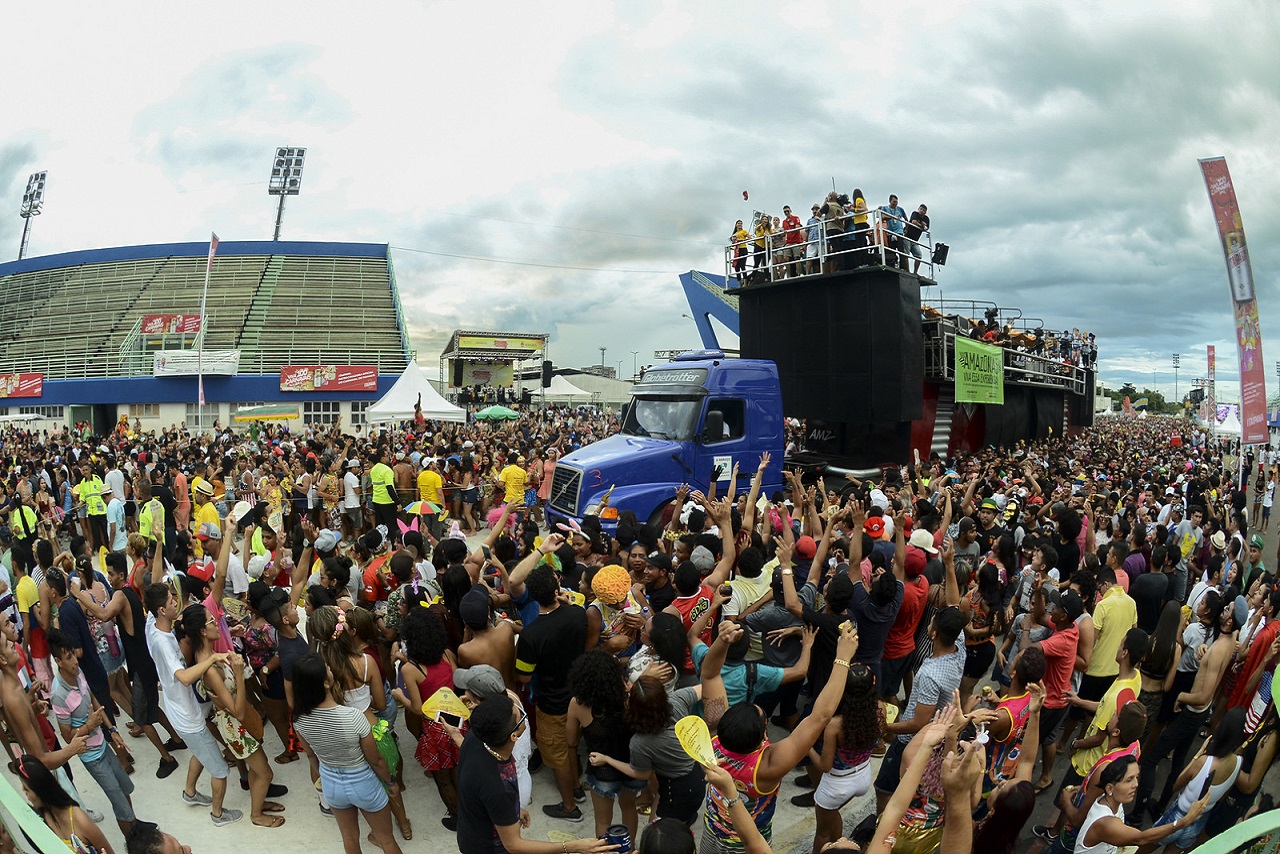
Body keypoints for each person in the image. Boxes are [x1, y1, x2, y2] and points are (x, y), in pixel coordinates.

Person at [1135, 594, 1244, 820]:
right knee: (1178, 761)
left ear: (1230, 621)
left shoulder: (1218, 650)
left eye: (1227, 610)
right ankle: (1160, 805)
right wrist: (1204, 648)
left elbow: (1204, 696)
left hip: (1193, 712)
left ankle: (1136, 814)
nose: (1223, 610)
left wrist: (1182, 697)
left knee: (1150, 759)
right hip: (1198, 713)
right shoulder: (1230, 640)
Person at [457, 695, 613, 854]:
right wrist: (571, 846)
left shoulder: (476, 737)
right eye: (520, 716)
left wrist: (512, 809)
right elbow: (513, 845)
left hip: (471, 831)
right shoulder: (497, 787)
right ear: (514, 736)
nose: (522, 714)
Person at [174, 604, 283, 829]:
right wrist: (240, 674)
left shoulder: (208, 656)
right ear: (202, 632)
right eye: (212, 622)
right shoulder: (212, 670)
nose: (217, 625)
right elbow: (238, 711)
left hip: (237, 725)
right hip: (237, 726)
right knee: (265, 773)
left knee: (257, 768)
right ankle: (256, 814)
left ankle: (258, 801)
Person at [143, 581, 241, 826]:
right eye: (170, 600)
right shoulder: (164, 642)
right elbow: (185, 678)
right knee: (220, 769)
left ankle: (189, 793)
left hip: (183, 708)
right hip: (188, 717)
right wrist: (214, 658)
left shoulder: (151, 625)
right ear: (162, 611)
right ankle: (218, 815)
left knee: (200, 752)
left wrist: (157, 545)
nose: (175, 601)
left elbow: (153, 586)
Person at [290, 653, 402, 854]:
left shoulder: (299, 720)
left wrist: (325, 775)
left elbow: (311, 757)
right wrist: (391, 782)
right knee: (386, 839)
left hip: (332, 784)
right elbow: (375, 760)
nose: (331, 670)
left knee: (349, 839)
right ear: (325, 683)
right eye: (328, 670)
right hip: (363, 782)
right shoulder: (353, 717)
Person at [510, 538, 588, 821]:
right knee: (571, 746)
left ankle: (570, 807)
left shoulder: (531, 635)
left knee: (557, 754)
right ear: (558, 590)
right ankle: (577, 787)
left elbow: (523, 675)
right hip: (579, 696)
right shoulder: (578, 614)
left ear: (531, 595)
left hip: (552, 703)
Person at [46, 628, 146, 839]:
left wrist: (112, 730)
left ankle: (135, 824)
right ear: (58, 661)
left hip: (103, 744)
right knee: (117, 799)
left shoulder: (78, 672)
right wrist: (89, 726)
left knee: (124, 788)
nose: (75, 660)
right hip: (92, 757)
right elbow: (68, 737)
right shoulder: (58, 696)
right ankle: (133, 841)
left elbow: (93, 699)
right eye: (68, 657)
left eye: (73, 654)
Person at [804, 663, 883, 854]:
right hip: (863, 776)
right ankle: (838, 844)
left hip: (836, 785)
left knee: (822, 834)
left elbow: (824, 765)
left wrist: (806, 747)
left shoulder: (835, 724)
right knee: (833, 814)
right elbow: (879, 741)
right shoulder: (879, 708)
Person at [1072, 755, 1207, 854]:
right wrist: (1184, 821)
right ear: (1110, 788)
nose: (1136, 784)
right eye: (1129, 780)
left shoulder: (1113, 800)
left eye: (1136, 777)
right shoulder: (1105, 822)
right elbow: (1141, 839)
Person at [16, 754, 116, 854]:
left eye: (26, 789)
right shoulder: (43, 818)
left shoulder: (80, 820)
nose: (24, 791)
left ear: (41, 790)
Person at [904, 204, 930, 274]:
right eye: (921, 209)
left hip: (915, 240)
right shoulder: (915, 213)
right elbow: (913, 222)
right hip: (907, 237)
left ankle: (915, 272)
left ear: (925, 212)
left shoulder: (926, 218)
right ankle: (908, 271)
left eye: (924, 210)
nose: (922, 211)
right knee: (906, 254)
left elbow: (926, 228)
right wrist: (921, 225)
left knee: (918, 255)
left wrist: (923, 226)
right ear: (918, 209)